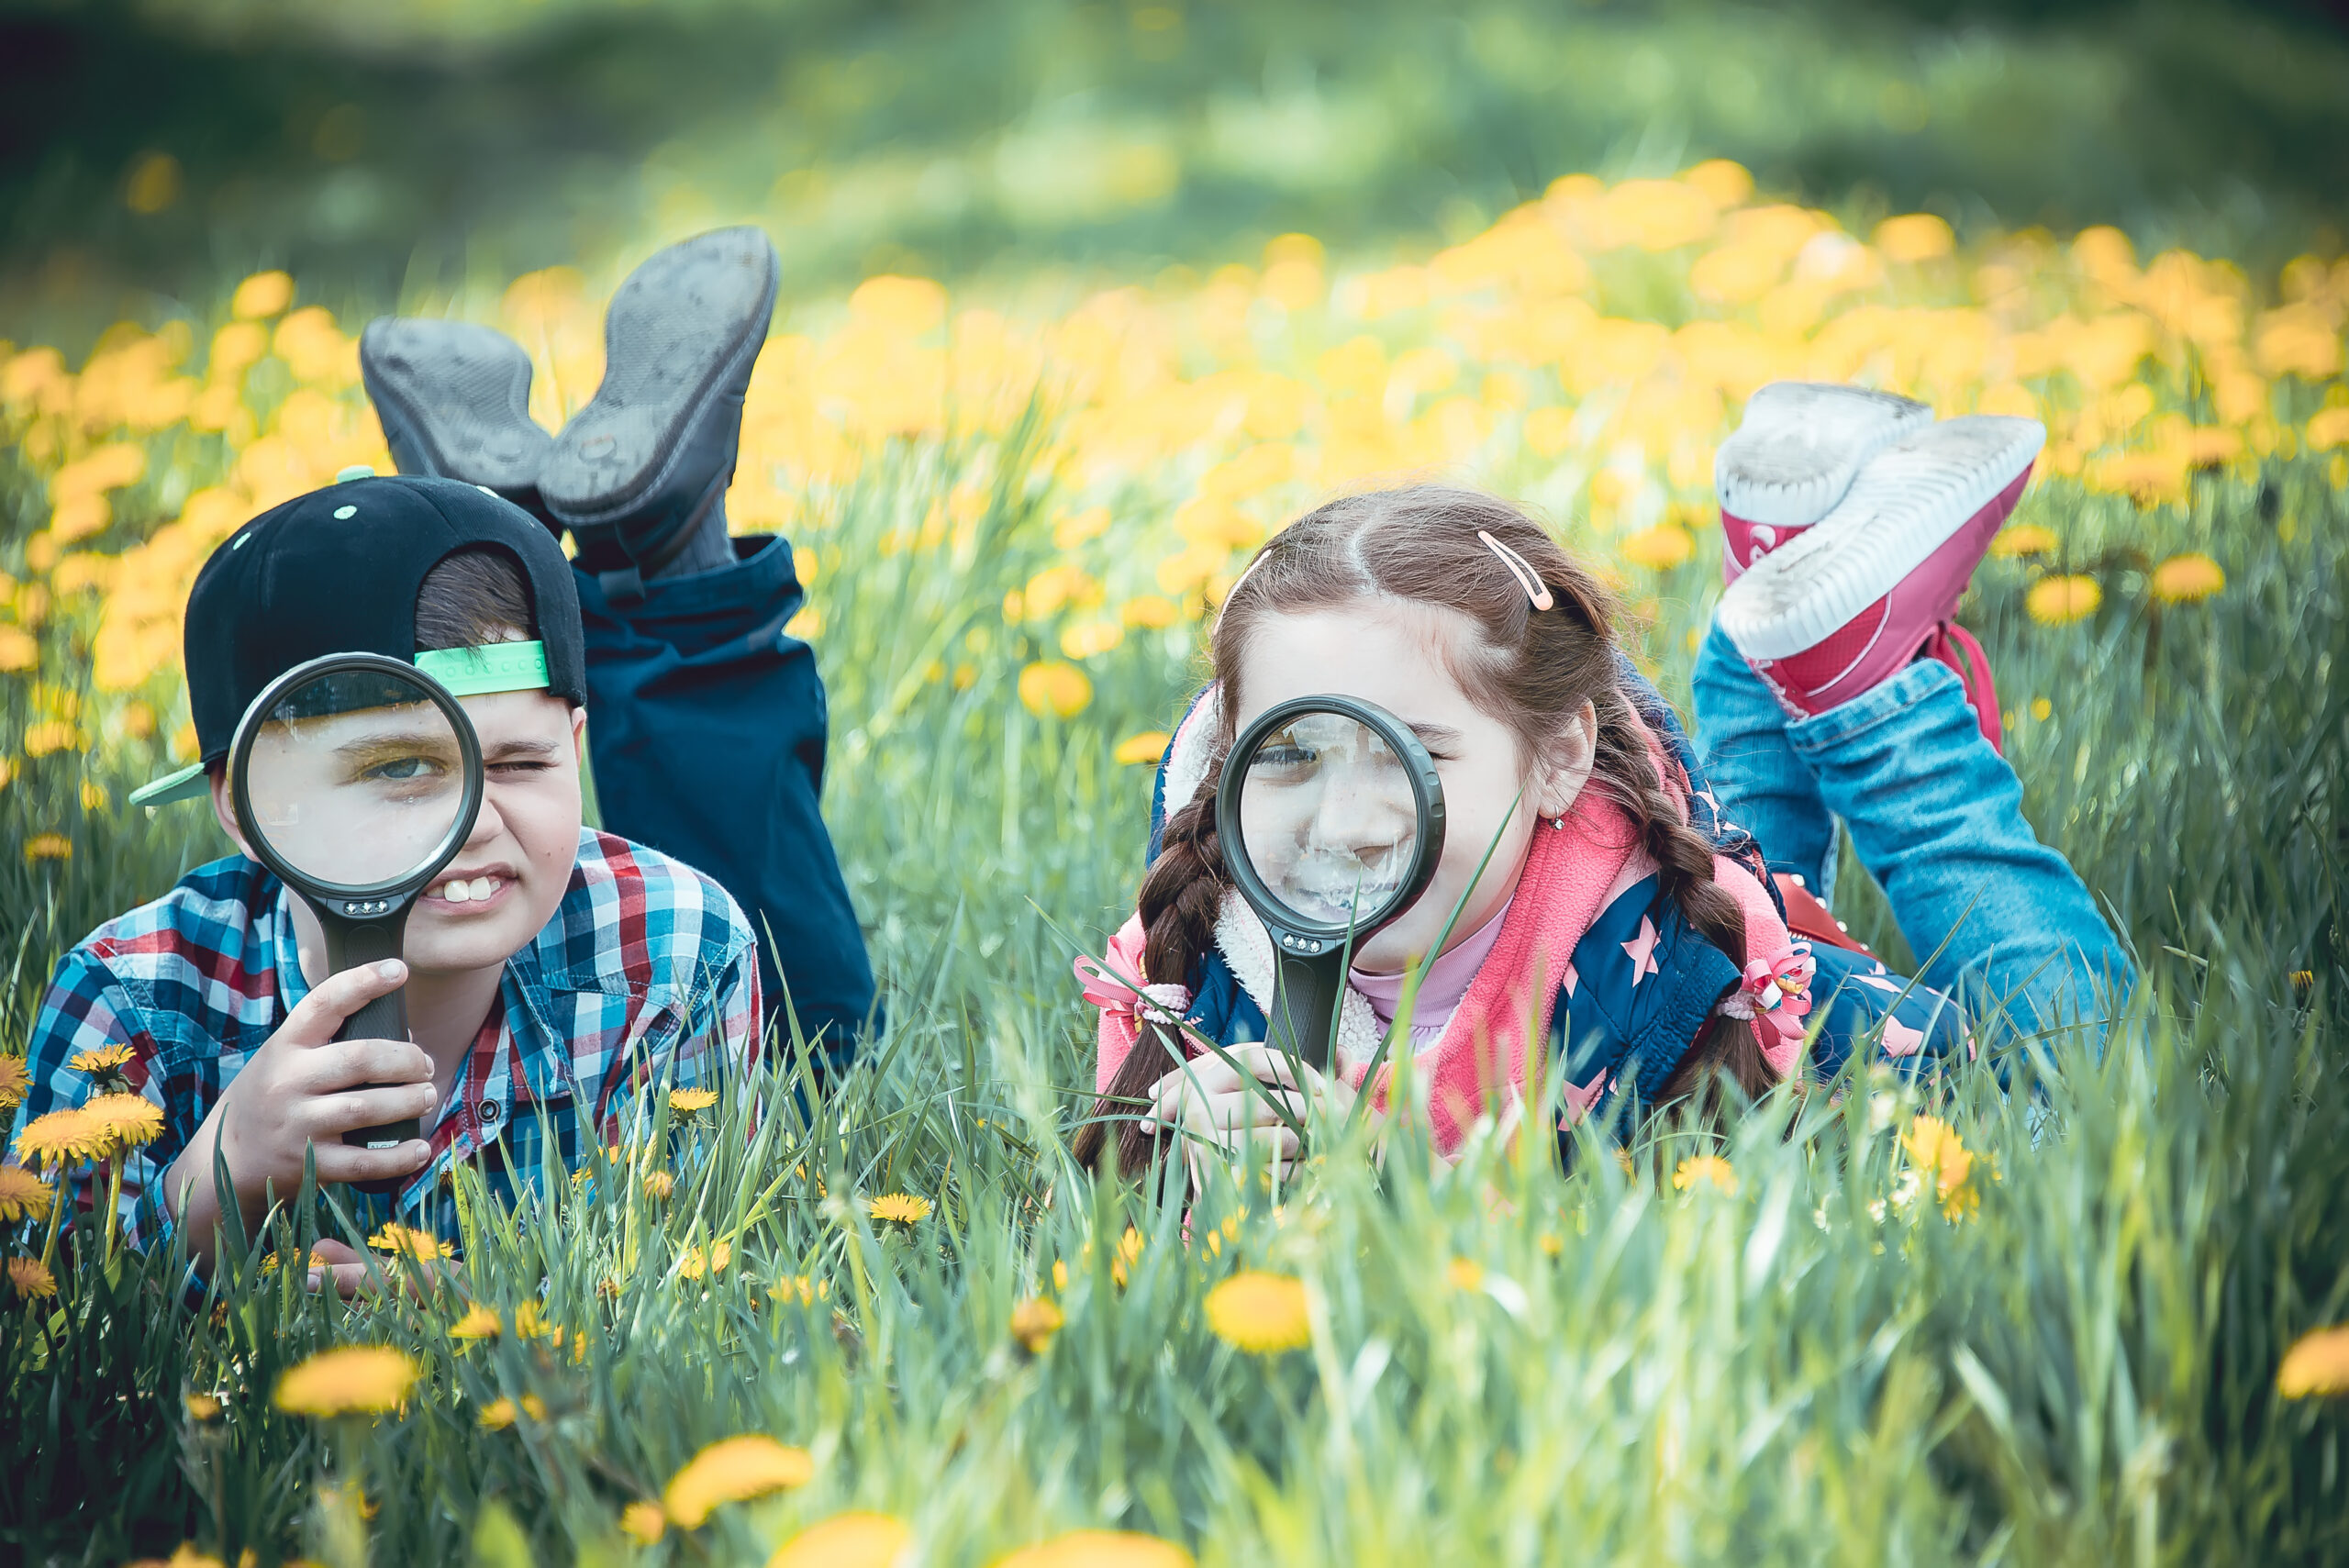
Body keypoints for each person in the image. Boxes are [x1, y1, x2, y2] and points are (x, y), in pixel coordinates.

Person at [15, 228, 874, 1282]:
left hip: (635, 943)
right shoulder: (135, 1003)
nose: (472, 817)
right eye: (397, 768)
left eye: (518, 764)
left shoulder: (680, 952)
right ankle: (525, 529)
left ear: (574, 746)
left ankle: (637, 541)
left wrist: (479, 1315)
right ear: (246, 803)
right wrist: (221, 1171)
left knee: (823, 1048)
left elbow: (704, 1277)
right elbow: (46, 1336)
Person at [1074, 390, 2134, 1175]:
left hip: (1820, 1024)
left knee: (2100, 1091)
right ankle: (1777, 619)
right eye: (1292, 753)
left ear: (1558, 759)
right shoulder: (1207, 946)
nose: (1344, 824)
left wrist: (1375, 1177)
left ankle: (1866, 704)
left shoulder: (1677, 975)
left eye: (1418, 754)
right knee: (1747, 862)